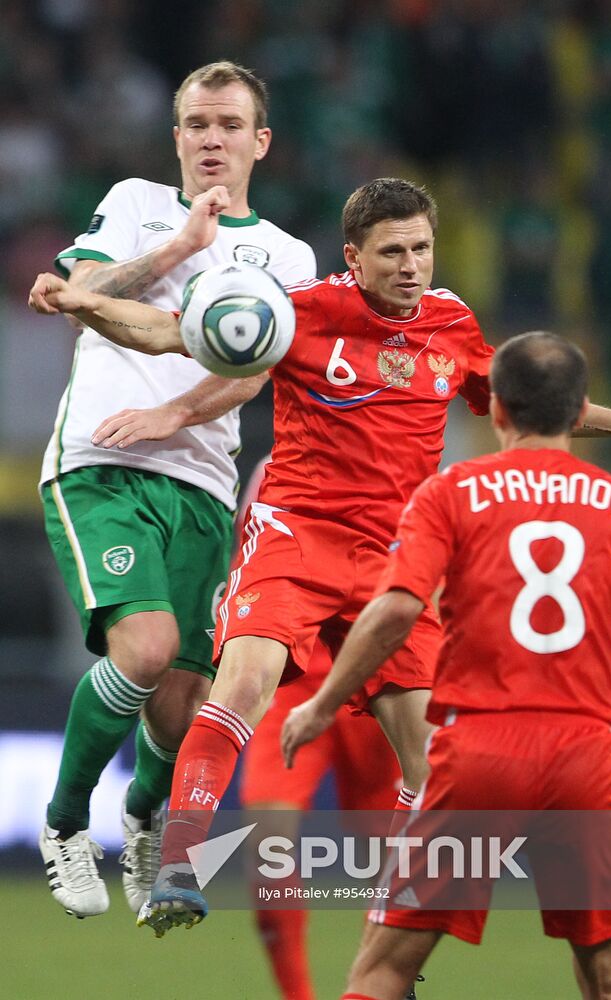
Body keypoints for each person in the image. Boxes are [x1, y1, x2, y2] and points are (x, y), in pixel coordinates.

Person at [29, 177, 611, 943]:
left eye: (422, 248)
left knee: (429, 755)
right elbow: (164, 331)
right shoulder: (302, 313)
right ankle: (181, 863)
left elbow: (533, 403)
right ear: (354, 256)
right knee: (244, 680)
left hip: (395, 559)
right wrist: (84, 301)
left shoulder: (451, 324)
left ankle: (399, 932)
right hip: (297, 535)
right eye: (393, 252)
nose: (412, 265)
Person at [281, 331, 611, 1000]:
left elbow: (396, 609)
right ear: (577, 414)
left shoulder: (449, 494)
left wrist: (324, 703)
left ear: (498, 410)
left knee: (383, 971)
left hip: (475, 752)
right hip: (586, 756)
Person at [36, 60, 316, 920]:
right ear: (177, 137)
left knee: (183, 700)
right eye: (197, 124)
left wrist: (176, 416)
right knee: (148, 647)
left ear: (259, 141)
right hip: (100, 462)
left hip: (200, 481)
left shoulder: (289, 257)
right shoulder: (133, 204)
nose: (212, 139)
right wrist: (181, 249)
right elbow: (76, 293)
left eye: (230, 124)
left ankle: (147, 816)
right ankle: (63, 823)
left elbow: (258, 375)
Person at [238, 457, 401, 1000]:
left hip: (376, 673)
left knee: (392, 859)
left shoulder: (400, 457)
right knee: (268, 848)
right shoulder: (270, 471)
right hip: (293, 680)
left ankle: (375, 987)